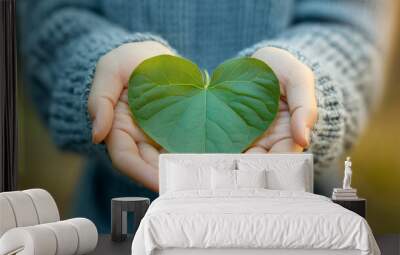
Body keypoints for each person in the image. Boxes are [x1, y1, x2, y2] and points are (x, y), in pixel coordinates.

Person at [18, 0, 382, 232]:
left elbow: (353, 32)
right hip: (117, 230)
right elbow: (51, 22)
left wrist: (311, 86)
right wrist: (94, 69)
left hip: (298, 219)